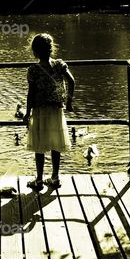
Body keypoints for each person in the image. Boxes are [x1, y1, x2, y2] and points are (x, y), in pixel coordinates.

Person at [23, 33, 75, 191]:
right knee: (55, 143)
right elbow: (71, 81)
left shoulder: (33, 70)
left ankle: (39, 179)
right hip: (56, 109)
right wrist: (69, 101)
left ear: (34, 52)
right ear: (51, 49)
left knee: (39, 145)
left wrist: (27, 113)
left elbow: (31, 94)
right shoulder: (59, 65)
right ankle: (55, 177)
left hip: (39, 110)